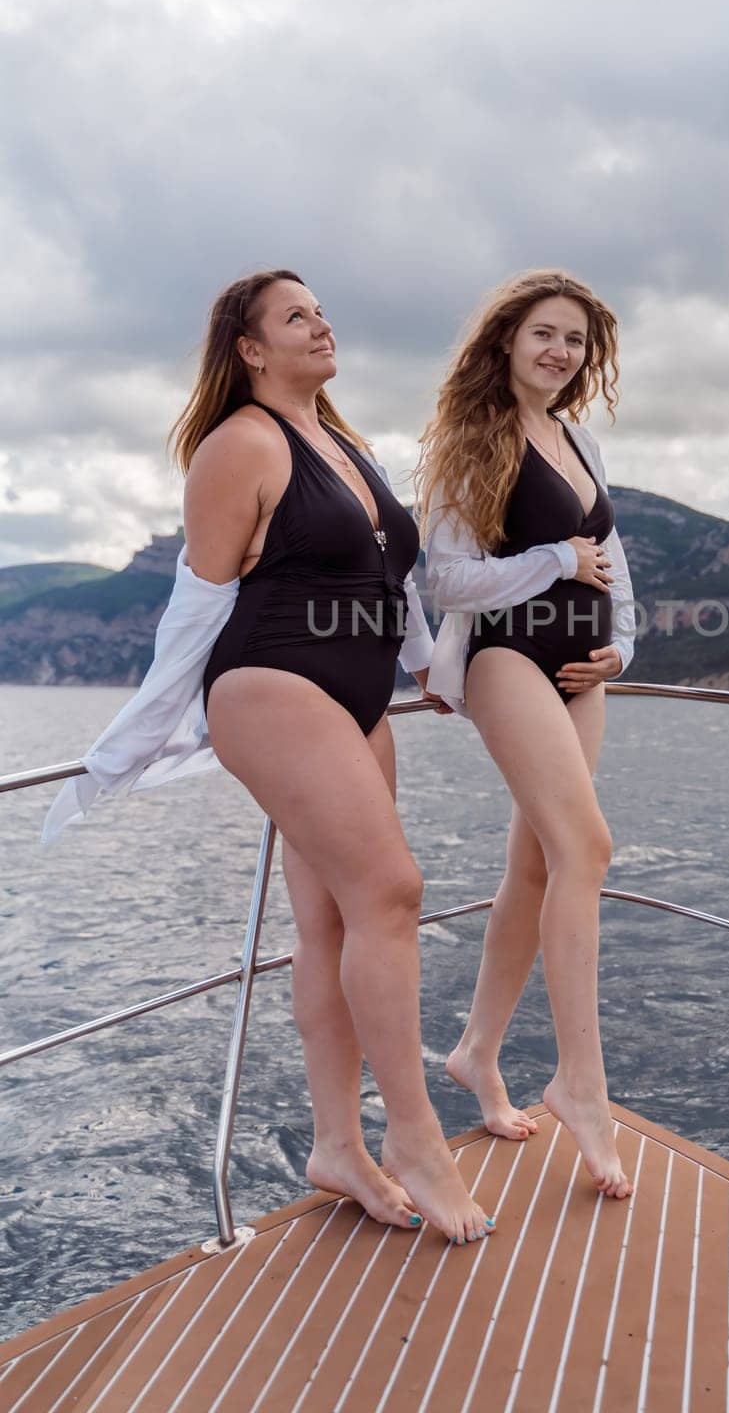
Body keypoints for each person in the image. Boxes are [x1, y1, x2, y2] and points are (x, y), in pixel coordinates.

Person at [46, 269, 493, 1246]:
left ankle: (338, 1144)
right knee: (394, 891)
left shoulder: (344, 444)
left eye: (320, 308)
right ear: (249, 348)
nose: (320, 322)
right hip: (268, 685)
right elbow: (197, 609)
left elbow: (390, 576)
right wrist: (126, 745)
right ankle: (414, 1136)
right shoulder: (238, 446)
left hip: (357, 696)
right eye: (296, 315)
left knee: (331, 923)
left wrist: (425, 665)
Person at [416, 268, 637, 1199]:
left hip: (582, 676)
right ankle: (582, 1086)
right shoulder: (473, 438)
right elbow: (447, 582)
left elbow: (613, 563)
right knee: (586, 847)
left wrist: (621, 647)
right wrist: (554, 558)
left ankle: (476, 1049)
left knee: (538, 866)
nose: (560, 351)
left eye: (576, 340)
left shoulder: (573, 434)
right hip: (508, 660)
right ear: (506, 339)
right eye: (544, 333)